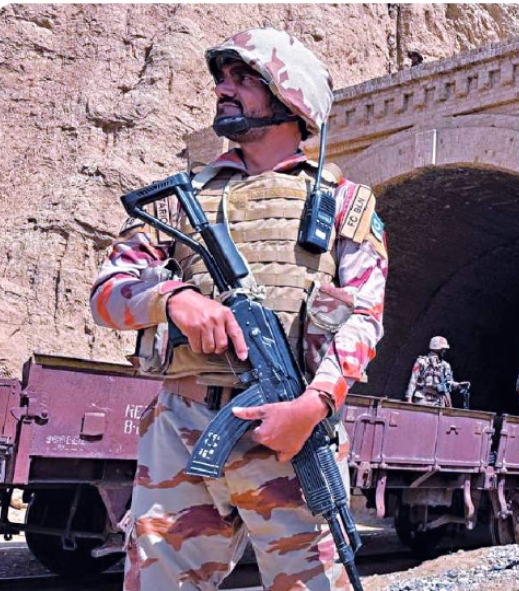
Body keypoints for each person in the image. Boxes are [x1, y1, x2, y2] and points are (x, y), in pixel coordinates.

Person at [90, 27, 388, 591]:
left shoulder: (344, 203)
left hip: (292, 431)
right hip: (180, 429)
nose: (223, 89)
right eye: (222, 78)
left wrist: (314, 405)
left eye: (244, 78)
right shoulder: (181, 201)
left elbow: (364, 319)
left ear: (290, 96)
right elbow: (107, 292)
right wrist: (173, 300)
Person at [405, 336, 457, 407]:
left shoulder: (445, 365)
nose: (444, 351)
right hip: (423, 398)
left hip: (438, 400)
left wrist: (458, 385)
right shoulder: (422, 362)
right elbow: (413, 380)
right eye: (443, 349)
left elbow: (447, 384)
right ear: (437, 349)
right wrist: (409, 399)